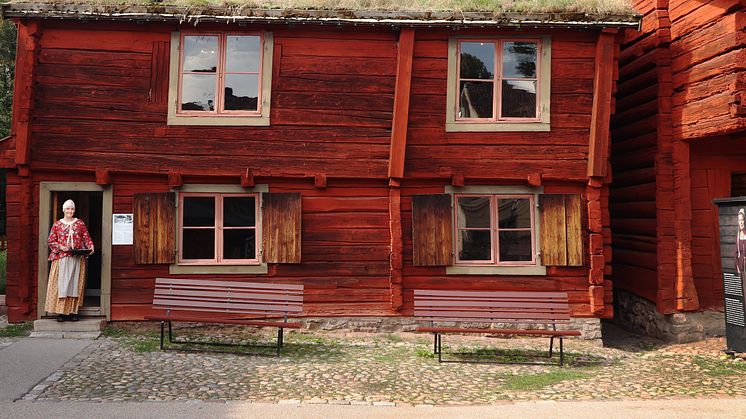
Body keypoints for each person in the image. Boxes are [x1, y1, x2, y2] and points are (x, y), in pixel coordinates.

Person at [45, 199, 94, 322]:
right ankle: (61, 313)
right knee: (62, 285)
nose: (70, 211)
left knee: (74, 284)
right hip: (61, 258)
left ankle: (73, 312)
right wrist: (61, 247)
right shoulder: (57, 224)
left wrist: (90, 247)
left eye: (72, 209)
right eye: (67, 208)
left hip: (76, 257)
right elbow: (51, 240)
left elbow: (86, 237)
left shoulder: (79, 223)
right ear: (63, 210)